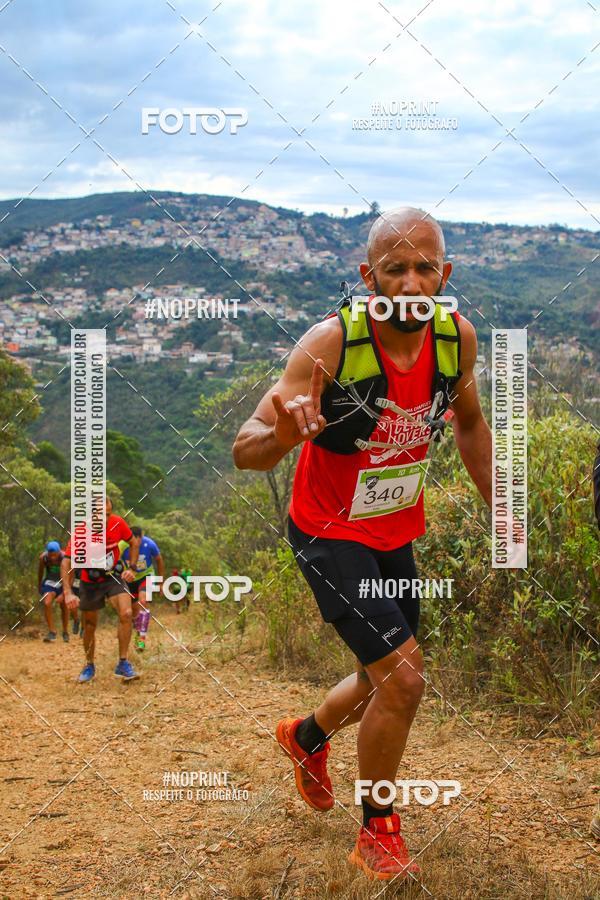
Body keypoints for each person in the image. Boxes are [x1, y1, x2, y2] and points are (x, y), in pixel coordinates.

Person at [233, 208, 492, 881]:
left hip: (395, 530)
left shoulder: (453, 340)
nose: (409, 283)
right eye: (394, 269)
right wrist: (285, 436)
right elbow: (245, 450)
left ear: (446, 274)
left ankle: (306, 736)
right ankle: (378, 825)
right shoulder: (328, 345)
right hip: (326, 532)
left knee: (386, 676)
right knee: (404, 678)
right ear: (366, 275)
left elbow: (468, 425)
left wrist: (506, 507)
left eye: (424, 268)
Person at [62, 497, 140, 683]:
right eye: (99, 514)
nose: (104, 518)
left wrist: (132, 568)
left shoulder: (118, 523)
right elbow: (67, 561)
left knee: (127, 613)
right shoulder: (82, 531)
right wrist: (67, 591)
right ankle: (89, 665)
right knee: (89, 625)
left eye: (107, 514)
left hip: (113, 576)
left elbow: (134, 543)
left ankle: (123, 663)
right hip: (89, 581)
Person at [118, 526, 164, 651]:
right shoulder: (122, 545)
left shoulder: (149, 544)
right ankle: (137, 631)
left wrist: (160, 582)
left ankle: (141, 641)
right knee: (133, 612)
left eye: (137, 540)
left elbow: (159, 560)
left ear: (141, 537)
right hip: (129, 579)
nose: (135, 543)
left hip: (146, 576)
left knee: (143, 602)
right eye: (131, 541)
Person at [37, 541, 79, 642]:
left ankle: (65, 631)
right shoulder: (44, 558)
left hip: (64, 583)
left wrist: (65, 592)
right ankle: (52, 632)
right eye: (51, 555)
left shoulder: (66, 557)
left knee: (64, 605)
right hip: (50, 582)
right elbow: (40, 571)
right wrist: (39, 585)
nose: (52, 557)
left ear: (59, 552)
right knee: (47, 603)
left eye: (55, 555)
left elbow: (72, 575)